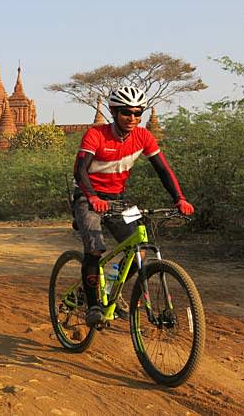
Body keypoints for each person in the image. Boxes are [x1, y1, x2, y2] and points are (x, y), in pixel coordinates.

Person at [73, 85, 195, 327]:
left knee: (140, 247)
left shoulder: (143, 136)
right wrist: (93, 198)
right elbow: (80, 171)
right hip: (88, 196)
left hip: (119, 199)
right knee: (95, 249)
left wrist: (179, 199)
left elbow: (163, 170)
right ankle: (93, 304)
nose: (133, 118)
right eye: (127, 113)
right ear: (114, 112)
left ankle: (108, 286)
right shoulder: (95, 135)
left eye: (138, 113)